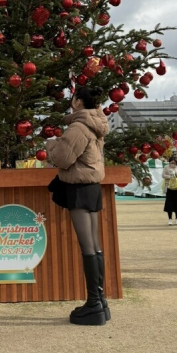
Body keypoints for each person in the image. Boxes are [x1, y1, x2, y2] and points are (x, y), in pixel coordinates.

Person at [46, 86, 110, 326]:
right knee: (94, 245)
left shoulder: (79, 127)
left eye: (73, 98)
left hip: (79, 188)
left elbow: (62, 158)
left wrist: (51, 144)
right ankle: (100, 302)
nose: (71, 101)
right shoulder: (96, 124)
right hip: (92, 187)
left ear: (79, 102)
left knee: (88, 247)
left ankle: (93, 304)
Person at [162, 157, 177, 225]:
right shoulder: (166, 167)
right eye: (171, 162)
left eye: (174, 163)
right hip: (169, 186)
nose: (173, 164)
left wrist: (175, 172)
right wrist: (169, 176)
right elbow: (163, 175)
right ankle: (170, 219)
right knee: (169, 203)